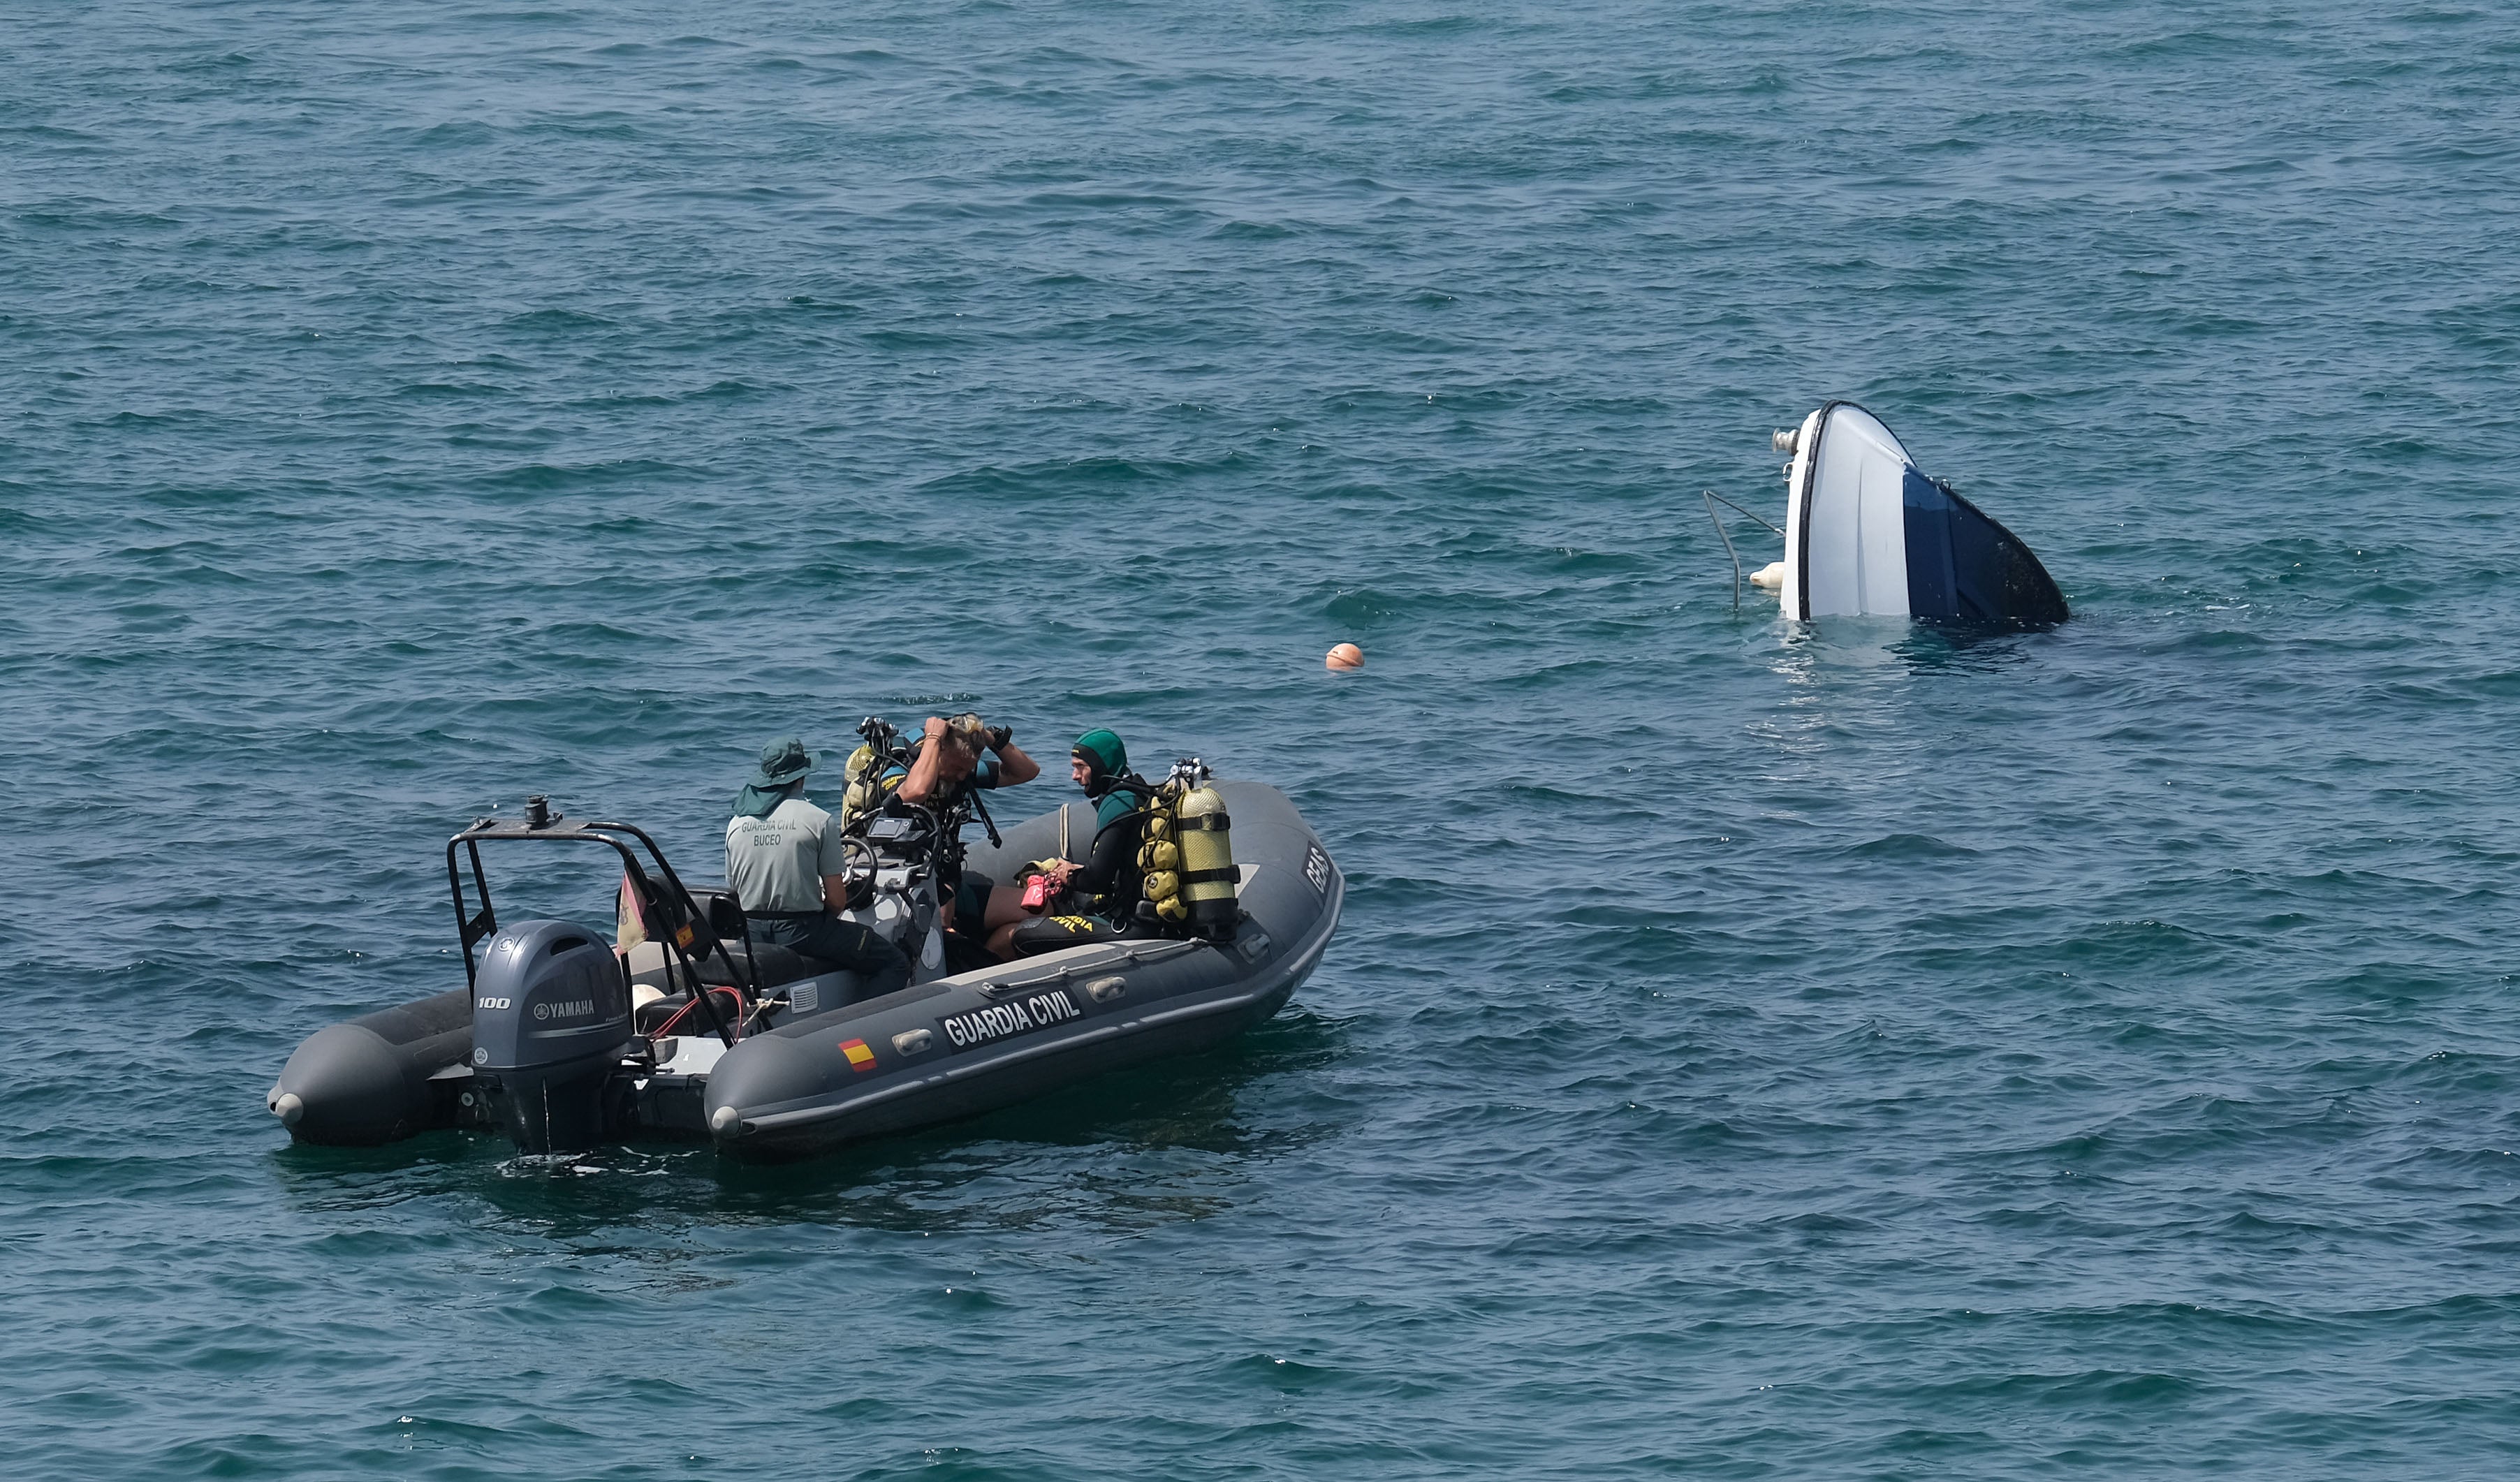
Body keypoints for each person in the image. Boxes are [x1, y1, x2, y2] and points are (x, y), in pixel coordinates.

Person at [724, 738, 909, 997]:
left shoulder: (736, 823)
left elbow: (735, 889)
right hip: (802, 933)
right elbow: (836, 901)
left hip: (750, 934)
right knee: (895, 963)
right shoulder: (819, 821)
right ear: (802, 777)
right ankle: (855, 1027)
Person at [988, 728, 1152, 959]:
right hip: (1140, 911)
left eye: (1080, 766)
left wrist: (1066, 875)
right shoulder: (1136, 792)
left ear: (1100, 766)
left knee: (1015, 935)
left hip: (1127, 923)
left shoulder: (1116, 803)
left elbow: (1097, 880)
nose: (1074, 776)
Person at [886, 713, 1041, 938]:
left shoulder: (962, 772)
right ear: (939, 751)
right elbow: (915, 792)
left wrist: (990, 738)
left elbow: (1028, 772)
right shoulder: (898, 771)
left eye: (966, 770)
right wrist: (933, 738)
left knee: (1038, 909)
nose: (960, 776)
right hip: (910, 890)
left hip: (950, 885)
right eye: (956, 767)